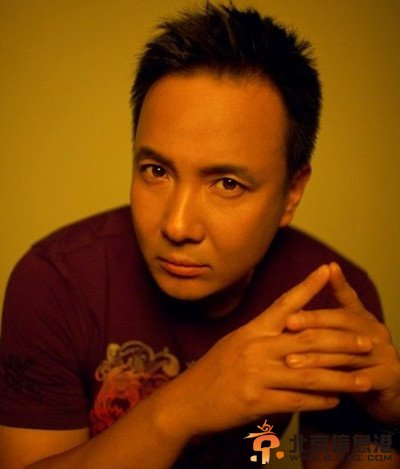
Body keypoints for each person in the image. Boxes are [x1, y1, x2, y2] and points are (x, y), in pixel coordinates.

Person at [0, 3, 399, 468]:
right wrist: (180, 409)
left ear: (292, 193)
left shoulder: (329, 296)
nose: (177, 226)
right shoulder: (55, 283)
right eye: (156, 170)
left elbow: (342, 456)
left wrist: (388, 422)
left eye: (227, 184)